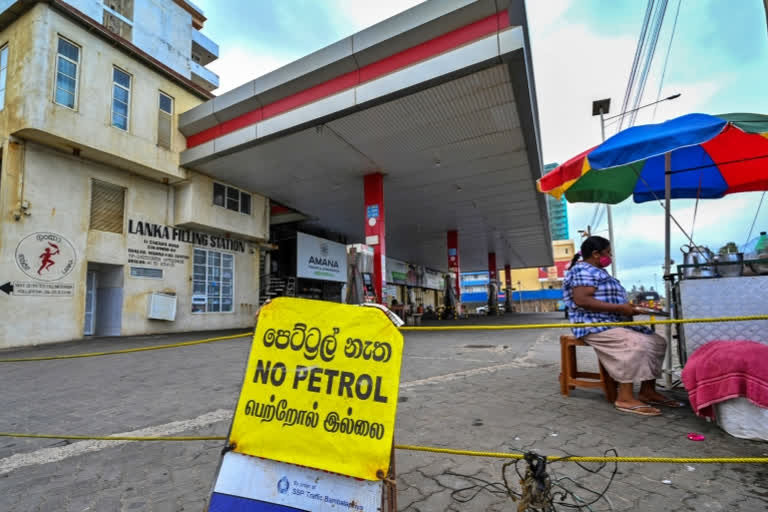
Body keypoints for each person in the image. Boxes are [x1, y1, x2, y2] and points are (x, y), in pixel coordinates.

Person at [563, 236, 682, 417]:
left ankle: (647, 390)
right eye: (608, 252)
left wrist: (630, 308)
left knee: (656, 341)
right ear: (596, 254)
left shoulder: (598, 271)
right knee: (635, 344)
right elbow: (582, 300)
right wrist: (620, 308)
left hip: (614, 323)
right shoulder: (582, 270)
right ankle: (625, 397)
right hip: (593, 325)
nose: (610, 256)